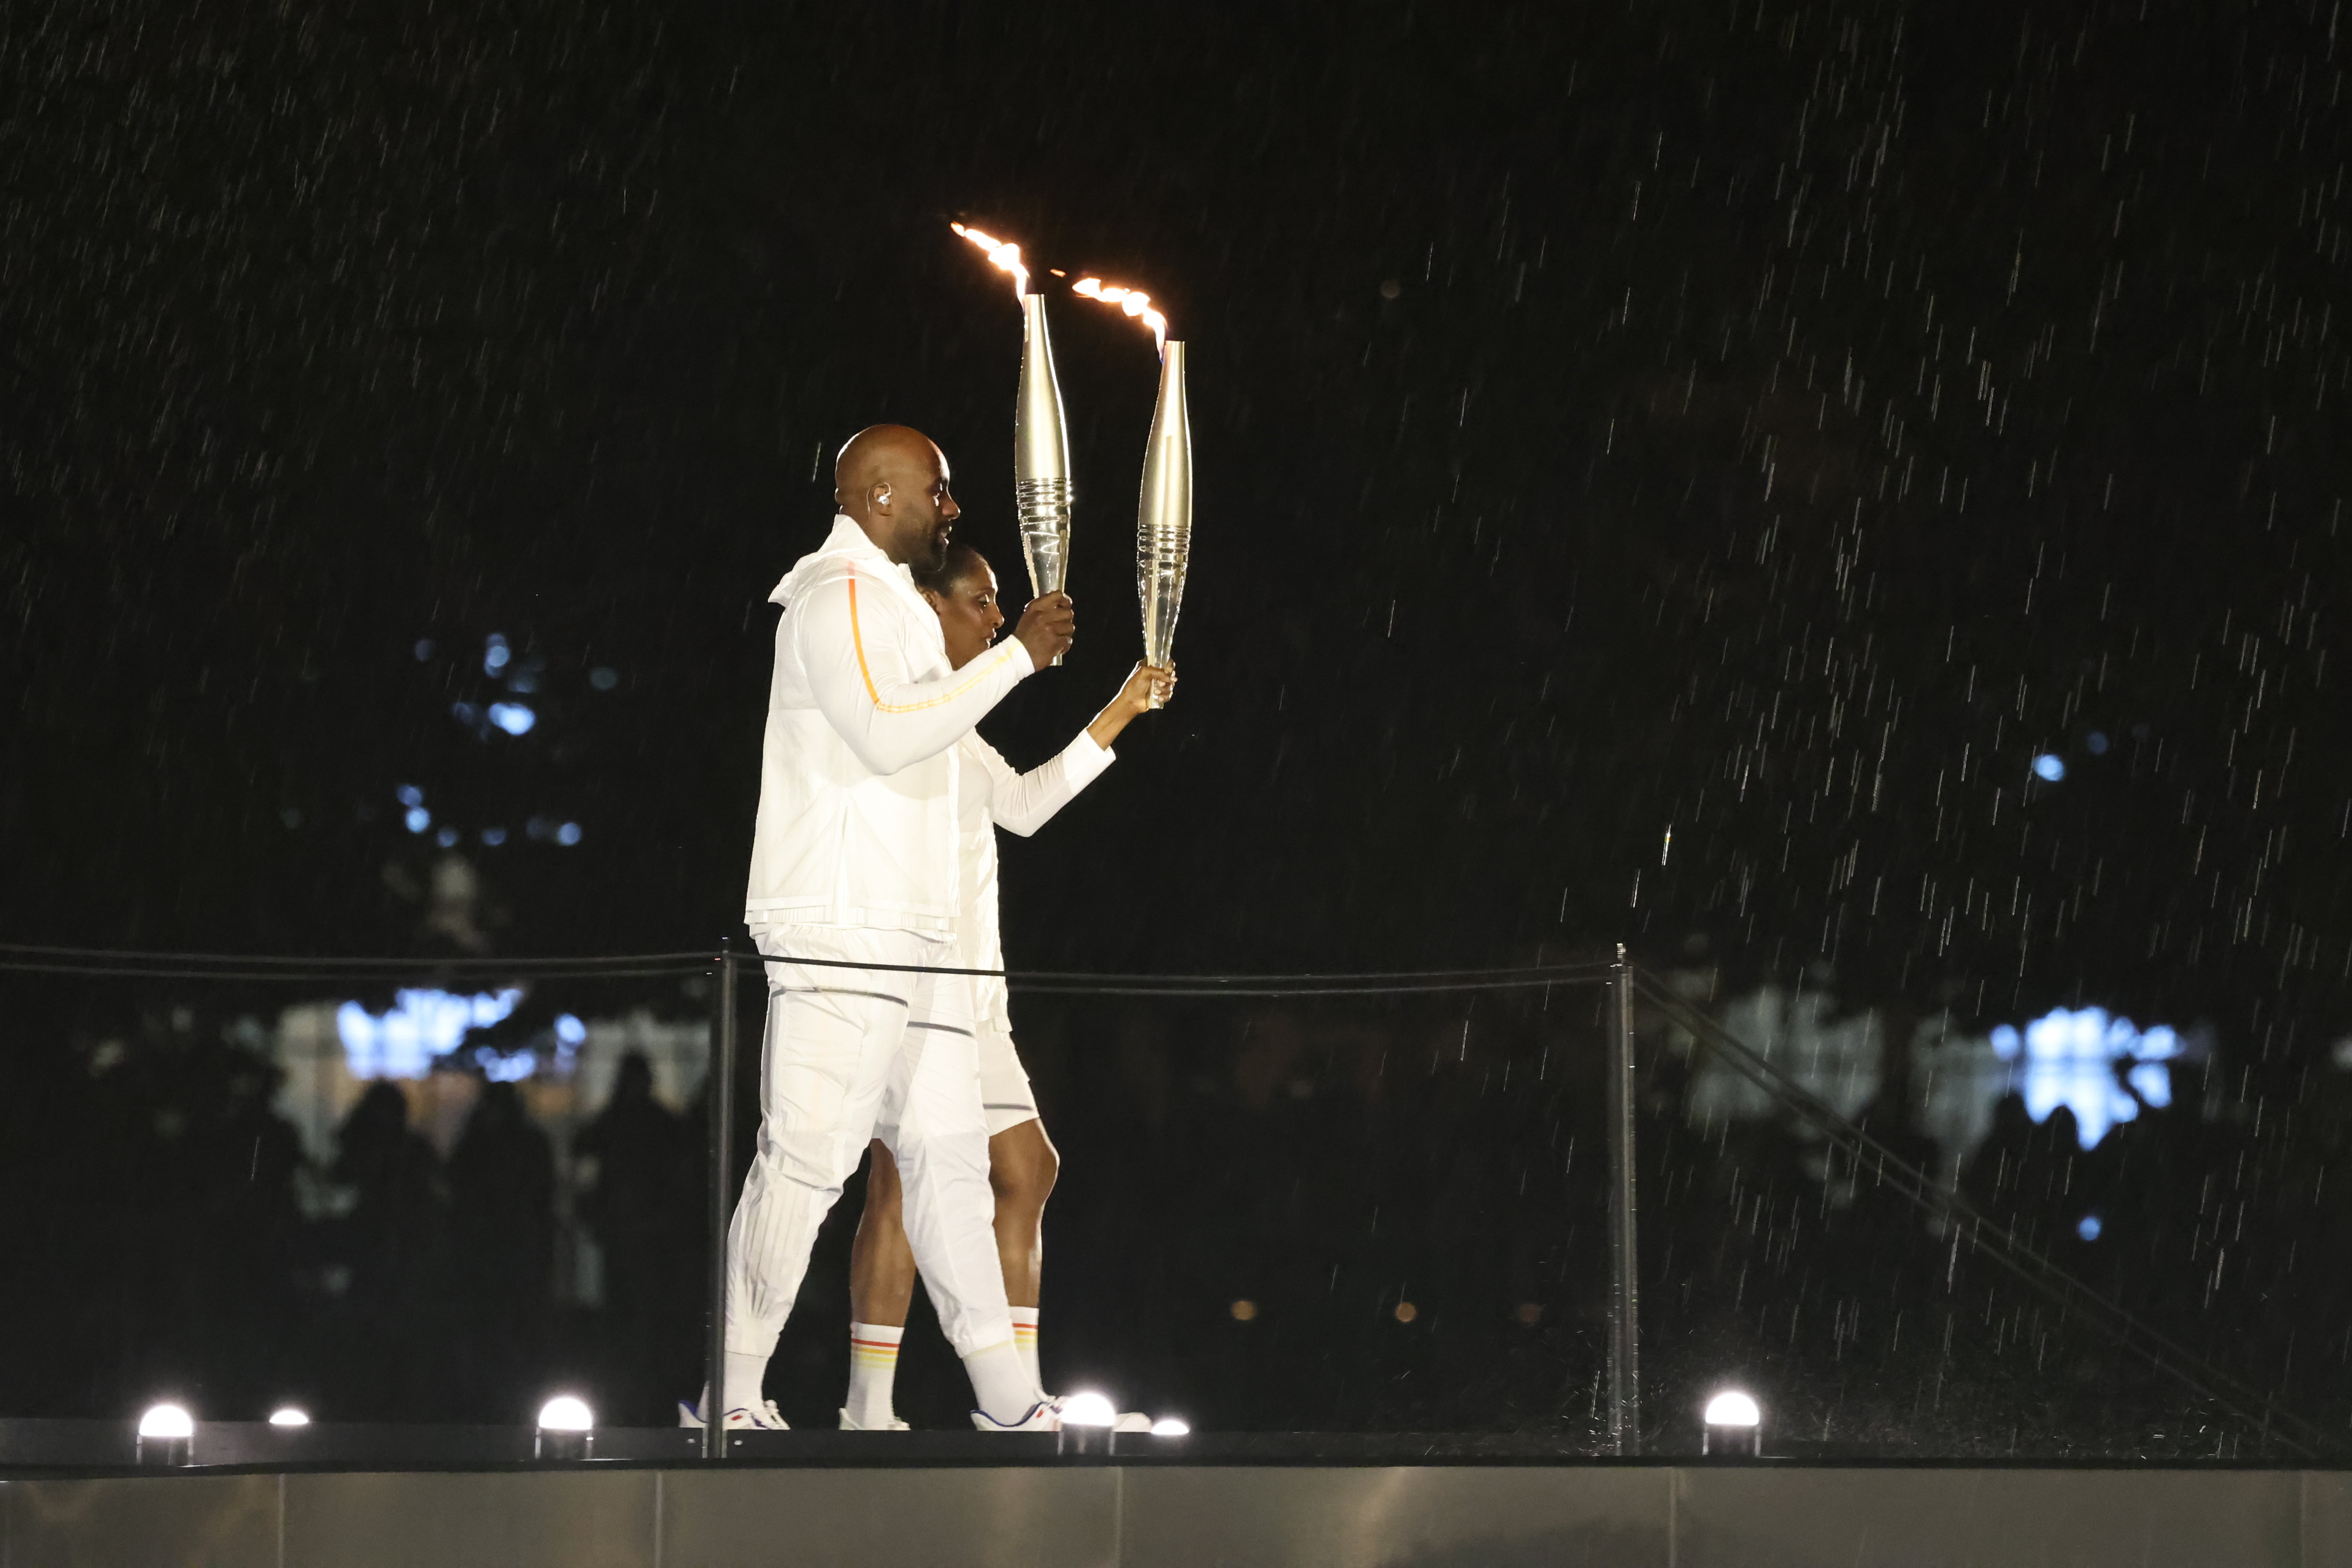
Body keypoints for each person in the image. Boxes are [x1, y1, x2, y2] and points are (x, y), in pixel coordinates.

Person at [693, 425, 1076, 1432]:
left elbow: (952, 747)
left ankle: (1004, 1395)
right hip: (842, 921)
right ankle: (729, 1390)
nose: (951, 507)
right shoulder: (838, 598)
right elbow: (884, 727)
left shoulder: (895, 607)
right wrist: (1016, 665)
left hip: (915, 932)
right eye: (937, 492)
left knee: (950, 1164)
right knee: (809, 1159)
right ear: (876, 496)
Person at [841, 541, 1174, 1431]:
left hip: (976, 1000)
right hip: (915, 992)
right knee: (900, 1186)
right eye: (983, 602)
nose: (996, 615)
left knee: (1025, 1169)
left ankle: (1012, 1399)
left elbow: (1023, 806)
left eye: (997, 604)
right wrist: (1016, 651)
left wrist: (1121, 709)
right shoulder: (902, 710)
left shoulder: (958, 730)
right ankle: (871, 1407)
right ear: (933, 608)